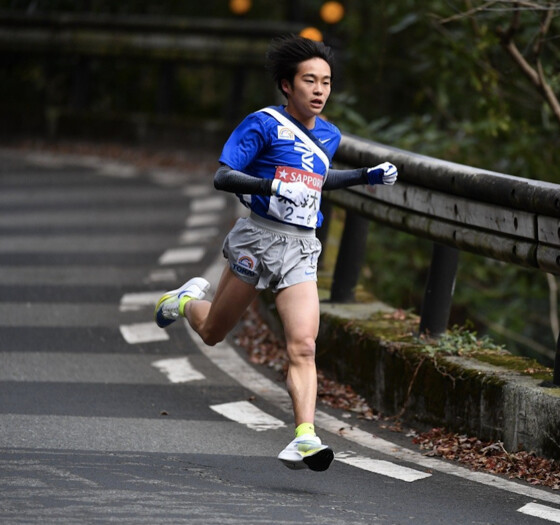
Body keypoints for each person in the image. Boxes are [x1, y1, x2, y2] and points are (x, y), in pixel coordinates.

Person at [153, 35, 397, 472]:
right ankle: (185, 300)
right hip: (257, 240)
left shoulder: (329, 133)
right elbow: (224, 177)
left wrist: (366, 174)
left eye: (326, 82)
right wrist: (270, 186)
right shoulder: (263, 124)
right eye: (310, 81)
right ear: (287, 85)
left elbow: (317, 180)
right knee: (212, 332)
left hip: (301, 247)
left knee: (303, 345)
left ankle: (304, 436)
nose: (320, 90)